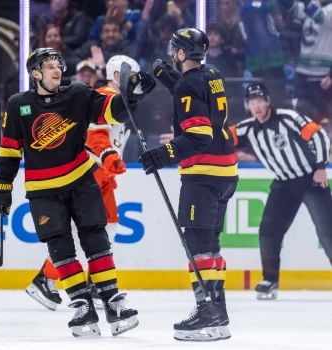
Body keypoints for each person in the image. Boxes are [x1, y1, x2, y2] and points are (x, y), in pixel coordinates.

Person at [0, 47, 155, 337]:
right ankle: (81, 305)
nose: (56, 69)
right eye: (48, 65)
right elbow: (9, 152)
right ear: (35, 73)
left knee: (97, 241)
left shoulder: (77, 94)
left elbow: (110, 111)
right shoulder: (18, 105)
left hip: (81, 181)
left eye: (58, 64)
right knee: (62, 249)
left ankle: (113, 302)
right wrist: (2, 187)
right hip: (43, 191)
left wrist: (131, 97)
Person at [139, 28, 238, 342]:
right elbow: (198, 95)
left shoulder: (187, 84)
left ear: (181, 54)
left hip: (202, 174)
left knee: (197, 247)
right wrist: (168, 78)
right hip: (226, 172)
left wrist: (163, 153)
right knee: (212, 245)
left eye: (175, 51)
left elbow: (199, 136)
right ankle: (219, 315)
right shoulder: (213, 73)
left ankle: (206, 312)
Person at [25, 55, 138, 311]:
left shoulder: (114, 97)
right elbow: (94, 134)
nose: (135, 82)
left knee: (106, 227)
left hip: (102, 175)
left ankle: (85, 284)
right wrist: (108, 158)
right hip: (93, 173)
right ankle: (49, 280)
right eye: (131, 76)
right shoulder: (104, 96)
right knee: (92, 230)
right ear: (118, 75)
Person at [229, 82, 332, 300]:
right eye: (252, 102)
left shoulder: (288, 118)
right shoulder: (247, 127)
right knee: (268, 231)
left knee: (327, 233)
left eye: (260, 101)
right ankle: (270, 280)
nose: (256, 106)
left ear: (268, 102)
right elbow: (221, 138)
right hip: (284, 184)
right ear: (248, 105)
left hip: (311, 179)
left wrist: (321, 166)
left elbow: (319, 135)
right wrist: (187, 137)